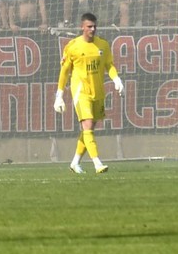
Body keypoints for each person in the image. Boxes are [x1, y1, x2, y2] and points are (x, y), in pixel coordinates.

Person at [53, 12, 124, 174]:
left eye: (94, 26)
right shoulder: (73, 46)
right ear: (82, 27)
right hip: (80, 91)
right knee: (87, 123)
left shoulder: (103, 45)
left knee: (88, 128)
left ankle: (75, 162)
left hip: (98, 92)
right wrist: (59, 96)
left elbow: (109, 65)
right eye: (89, 27)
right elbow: (64, 72)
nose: (92, 29)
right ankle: (97, 163)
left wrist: (117, 79)